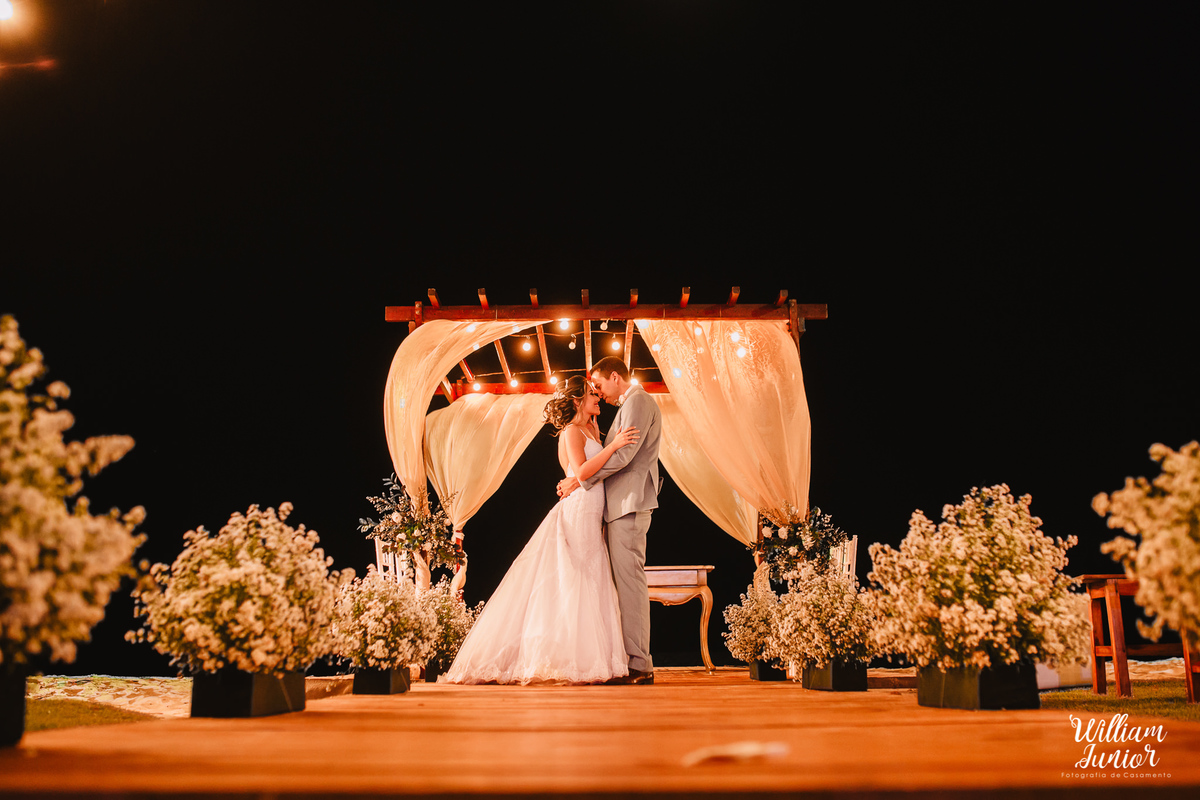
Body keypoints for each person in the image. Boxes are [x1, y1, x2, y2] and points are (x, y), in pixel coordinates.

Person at [442, 376, 640, 685]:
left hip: (593, 511)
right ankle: (565, 659)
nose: (598, 398)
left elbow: (596, 471)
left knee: (590, 577)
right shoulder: (572, 432)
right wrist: (614, 446)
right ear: (577, 400)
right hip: (578, 509)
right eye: (591, 394)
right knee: (572, 578)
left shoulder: (592, 428)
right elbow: (584, 471)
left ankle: (587, 659)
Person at [557, 356, 662, 685]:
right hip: (618, 505)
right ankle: (626, 658)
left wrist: (579, 479)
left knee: (630, 583)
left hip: (628, 504)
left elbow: (624, 453)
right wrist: (581, 478)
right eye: (594, 391)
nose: (600, 393)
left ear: (616, 377)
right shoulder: (628, 405)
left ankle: (639, 663)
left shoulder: (638, 401)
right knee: (622, 583)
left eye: (600, 385)